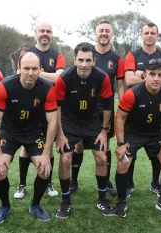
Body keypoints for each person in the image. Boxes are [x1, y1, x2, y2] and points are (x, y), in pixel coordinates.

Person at [0, 52, 58, 225]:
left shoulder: (47, 88)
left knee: (44, 169)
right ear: (18, 68)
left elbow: (52, 123)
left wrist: (46, 153)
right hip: (9, 132)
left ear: (40, 69)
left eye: (35, 68)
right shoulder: (5, 86)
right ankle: (5, 206)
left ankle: (35, 205)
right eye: (26, 68)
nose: (31, 72)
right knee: (0, 171)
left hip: (33, 132)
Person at [114, 58, 161, 217]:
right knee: (123, 163)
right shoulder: (132, 94)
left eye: (160, 74)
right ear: (144, 75)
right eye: (152, 74)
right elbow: (120, 118)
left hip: (156, 134)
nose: (156, 78)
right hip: (133, 132)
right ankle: (121, 201)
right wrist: (121, 143)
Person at [54, 42, 115, 219]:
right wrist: (60, 133)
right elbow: (56, 106)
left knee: (102, 157)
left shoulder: (102, 78)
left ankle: (102, 199)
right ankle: (65, 200)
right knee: (65, 158)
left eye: (88, 60)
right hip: (69, 122)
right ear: (74, 60)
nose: (84, 64)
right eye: (80, 60)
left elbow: (108, 105)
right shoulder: (64, 78)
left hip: (92, 122)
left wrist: (104, 130)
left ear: (94, 61)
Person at [69, 20, 125, 197]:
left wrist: (124, 108)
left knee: (104, 145)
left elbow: (121, 84)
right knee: (77, 145)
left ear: (111, 34)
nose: (104, 34)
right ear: (96, 33)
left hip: (104, 110)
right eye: (101, 30)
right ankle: (73, 181)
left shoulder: (116, 59)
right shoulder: (86, 54)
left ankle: (106, 182)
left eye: (107, 31)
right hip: (81, 109)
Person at [14, 21, 65, 199]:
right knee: (26, 148)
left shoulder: (57, 55)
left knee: (48, 147)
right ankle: (22, 184)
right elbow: (19, 72)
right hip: (28, 106)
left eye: (48, 31)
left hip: (49, 106)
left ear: (52, 34)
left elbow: (59, 78)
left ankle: (48, 182)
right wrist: (44, 74)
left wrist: (33, 72)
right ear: (35, 32)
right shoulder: (25, 52)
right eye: (42, 30)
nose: (45, 33)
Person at [124, 22, 161, 197]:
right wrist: (152, 79)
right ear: (141, 35)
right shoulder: (132, 55)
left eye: (153, 32)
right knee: (130, 153)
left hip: (156, 110)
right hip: (134, 109)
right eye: (146, 32)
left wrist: (141, 75)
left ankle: (155, 183)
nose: (149, 35)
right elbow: (128, 80)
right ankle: (129, 184)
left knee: (156, 154)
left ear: (157, 36)